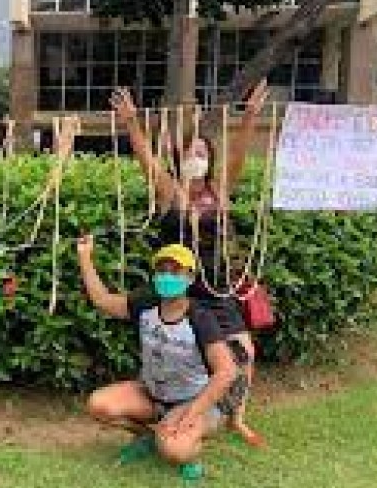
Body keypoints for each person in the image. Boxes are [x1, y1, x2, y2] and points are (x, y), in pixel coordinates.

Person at [109, 84, 269, 447]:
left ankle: (236, 418)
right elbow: (146, 159)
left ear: (210, 159)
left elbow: (239, 154)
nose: (196, 157)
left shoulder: (219, 191)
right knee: (175, 351)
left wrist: (249, 117)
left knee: (244, 353)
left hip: (214, 286)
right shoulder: (169, 191)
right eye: (190, 152)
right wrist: (131, 122)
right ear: (179, 158)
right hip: (176, 286)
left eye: (202, 152)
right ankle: (164, 415)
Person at [77, 240, 239, 474]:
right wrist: (84, 256)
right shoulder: (145, 305)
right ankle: (148, 437)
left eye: (175, 271)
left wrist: (191, 415)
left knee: (175, 451)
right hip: (152, 395)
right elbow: (102, 301)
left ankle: (190, 454)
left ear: (190, 277)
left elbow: (226, 371)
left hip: (193, 400)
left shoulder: (200, 317)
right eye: (162, 270)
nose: (167, 276)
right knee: (99, 405)